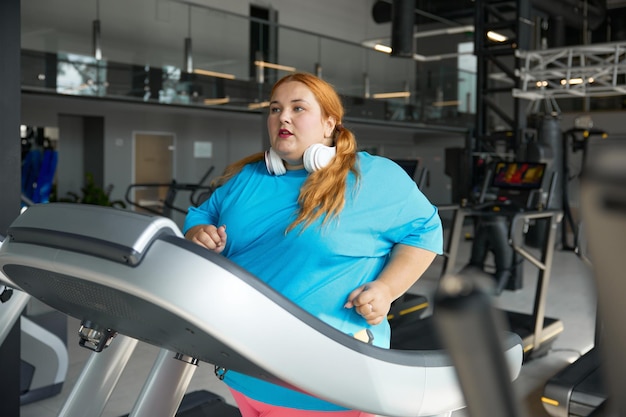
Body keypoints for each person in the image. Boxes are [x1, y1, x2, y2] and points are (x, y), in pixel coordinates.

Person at [183, 72, 443, 417]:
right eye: (275, 109)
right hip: (244, 367)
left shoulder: (372, 177)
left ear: (329, 124)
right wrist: (198, 230)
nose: (282, 117)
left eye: (298, 108)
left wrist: (387, 288)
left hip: (329, 382)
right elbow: (202, 214)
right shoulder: (248, 177)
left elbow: (424, 229)